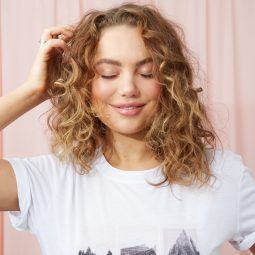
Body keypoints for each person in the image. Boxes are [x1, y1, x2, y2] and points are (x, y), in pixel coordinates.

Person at [0, 2, 255, 255]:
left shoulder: (225, 175)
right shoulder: (49, 180)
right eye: (109, 73)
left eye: (146, 72)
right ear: (84, 84)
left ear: (170, 80)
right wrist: (35, 90)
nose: (128, 88)